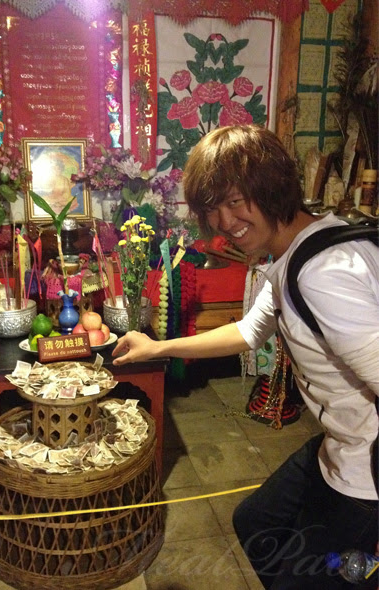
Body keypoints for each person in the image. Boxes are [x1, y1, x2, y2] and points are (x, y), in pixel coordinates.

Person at [112, 124, 379, 589]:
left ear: (272, 187)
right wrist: (158, 348)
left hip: (365, 474)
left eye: (236, 201)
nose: (223, 221)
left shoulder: (323, 274)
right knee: (257, 521)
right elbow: (250, 330)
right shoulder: (306, 245)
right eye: (211, 208)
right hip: (339, 445)